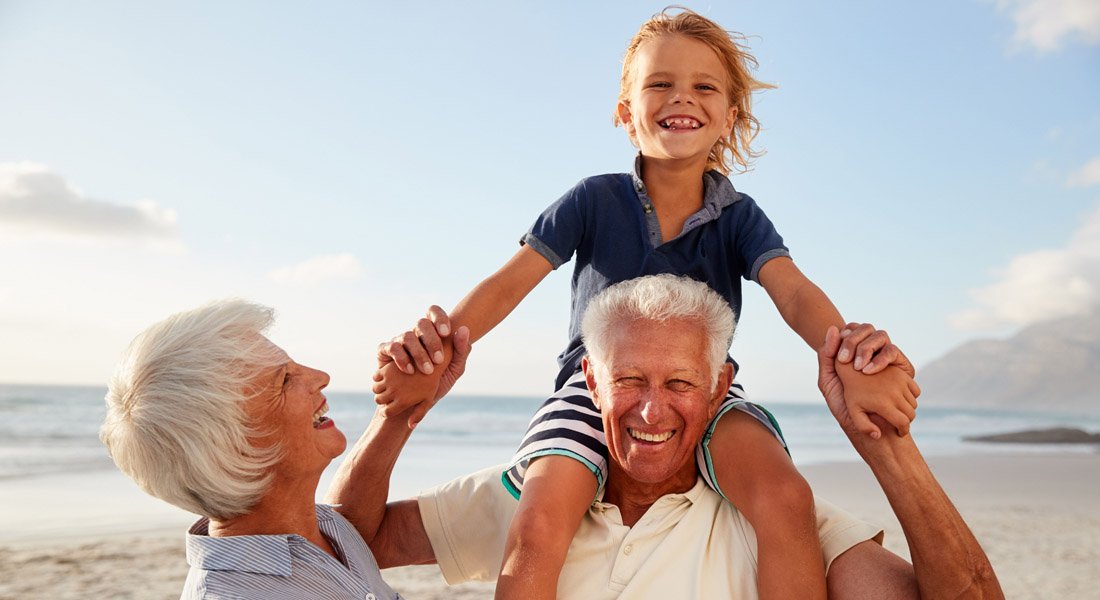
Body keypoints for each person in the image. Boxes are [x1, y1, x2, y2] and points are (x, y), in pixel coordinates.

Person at [371, 7, 919, 599]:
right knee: (541, 516)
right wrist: (442, 340)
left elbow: (793, 291)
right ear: (625, 114)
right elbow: (511, 282)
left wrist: (848, 352)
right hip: (596, 388)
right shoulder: (592, 199)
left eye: (703, 86)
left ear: (728, 116)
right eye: (660, 83)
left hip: (699, 387)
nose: (681, 96)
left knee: (786, 496)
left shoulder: (740, 217)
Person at [335, 275, 1002, 599]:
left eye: (680, 384)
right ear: (590, 384)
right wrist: (398, 420)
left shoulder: (785, 527)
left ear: (720, 389)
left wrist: (887, 444)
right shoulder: (528, 498)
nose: (652, 411)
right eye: (630, 380)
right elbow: (344, 541)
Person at [99, 299, 472, 600]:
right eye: (285, 379)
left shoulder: (329, 528)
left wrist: (402, 406)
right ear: (239, 447)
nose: (320, 376)